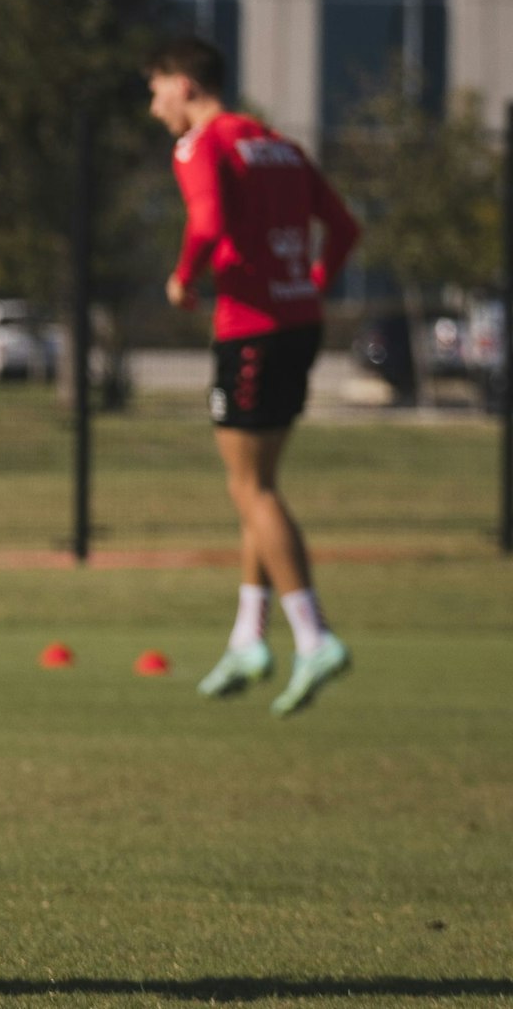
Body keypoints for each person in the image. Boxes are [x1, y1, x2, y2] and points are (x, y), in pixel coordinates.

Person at [147, 36, 362, 716]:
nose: (155, 109)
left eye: (155, 92)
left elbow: (206, 221)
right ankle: (248, 638)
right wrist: (312, 284)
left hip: (251, 333)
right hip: (300, 328)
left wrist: (185, 279)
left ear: (184, 85)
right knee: (256, 488)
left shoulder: (201, 145)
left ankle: (313, 635)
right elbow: (345, 228)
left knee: (250, 489)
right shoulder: (280, 145)